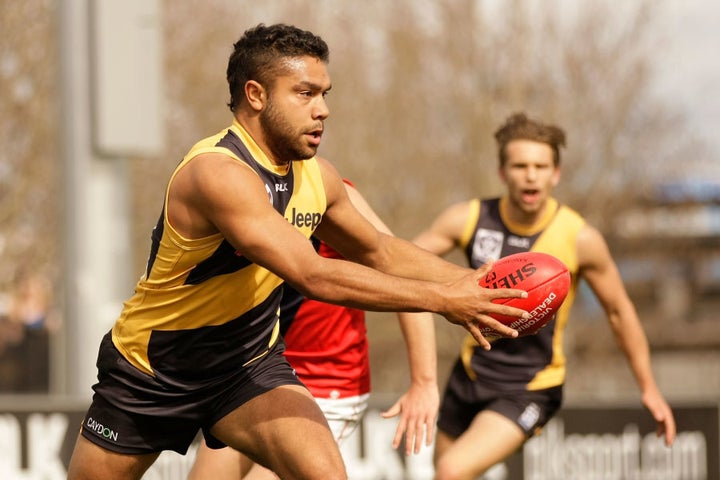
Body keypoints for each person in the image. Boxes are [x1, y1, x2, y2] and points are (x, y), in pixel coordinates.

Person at [66, 24, 530, 480]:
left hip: (246, 367)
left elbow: (381, 251)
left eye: (325, 94)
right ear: (256, 94)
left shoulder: (319, 178)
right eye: (305, 94)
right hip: (152, 370)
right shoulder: (217, 174)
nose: (323, 110)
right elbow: (314, 275)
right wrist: (444, 301)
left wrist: (471, 283)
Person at [412, 112, 677, 480]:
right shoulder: (469, 219)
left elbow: (619, 311)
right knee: (445, 474)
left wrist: (649, 388)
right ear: (503, 172)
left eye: (540, 165)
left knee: (451, 470)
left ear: (556, 174)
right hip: (470, 373)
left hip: (531, 386)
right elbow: (399, 262)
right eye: (520, 165)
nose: (531, 174)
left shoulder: (580, 238)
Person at [188, 180, 439, 479]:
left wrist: (424, 381)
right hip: (254, 377)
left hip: (327, 384)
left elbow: (403, 274)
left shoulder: (324, 191)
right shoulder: (232, 185)